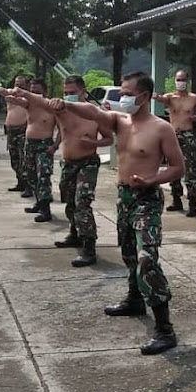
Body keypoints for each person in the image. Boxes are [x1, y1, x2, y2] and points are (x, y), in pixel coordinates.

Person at [50, 71, 185, 355]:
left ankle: (165, 329)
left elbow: (177, 168)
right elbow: (91, 110)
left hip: (146, 198)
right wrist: (67, 105)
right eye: (121, 92)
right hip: (124, 197)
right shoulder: (119, 121)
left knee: (147, 259)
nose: (122, 97)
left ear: (144, 96)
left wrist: (152, 180)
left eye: (127, 93)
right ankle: (134, 300)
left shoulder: (162, 129)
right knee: (128, 254)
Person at [53, 75, 112, 267]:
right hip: (68, 162)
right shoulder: (61, 110)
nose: (68, 96)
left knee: (82, 203)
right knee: (69, 201)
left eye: (72, 93)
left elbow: (108, 139)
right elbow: (61, 131)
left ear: (82, 92)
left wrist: (93, 142)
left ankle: (89, 247)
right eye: (66, 93)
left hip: (88, 162)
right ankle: (75, 233)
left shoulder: (94, 113)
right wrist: (55, 145)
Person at [152, 69, 196, 217]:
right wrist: (155, 96)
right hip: (173, 135)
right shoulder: (170, 97)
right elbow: (162, 99)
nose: (180, 82)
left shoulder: (193, 98)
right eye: (178, 79)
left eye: (182, 80)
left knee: (191, 169)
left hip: (188, 134)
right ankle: (176, 199)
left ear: (187, 82)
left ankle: (192, 203)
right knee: (173, 167)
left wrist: (194, 118)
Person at [5, 78, 56, 223]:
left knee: (43, 177)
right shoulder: (28, 105)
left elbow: (62, 129)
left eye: (37, 91)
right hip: (30, 144)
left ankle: (46, 210)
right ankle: (39, 203)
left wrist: (55, 146)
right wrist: (10, 95)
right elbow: (18, 100)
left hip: (44, 145)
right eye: (32, 91)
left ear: (44, 91)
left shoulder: (51, 106)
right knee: (31, 175)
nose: (34, 94)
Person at [0, 75, 30, 192]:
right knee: (14, 158)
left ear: (27, 86)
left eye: (21, 85)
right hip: (11, 131)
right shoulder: (11, 94)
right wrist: (5, 90)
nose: (18, 88)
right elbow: (1, 91)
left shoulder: (29, 97)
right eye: (17, 84)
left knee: (24, 158)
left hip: (23, 130)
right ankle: (20, 182)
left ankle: (28, 185)